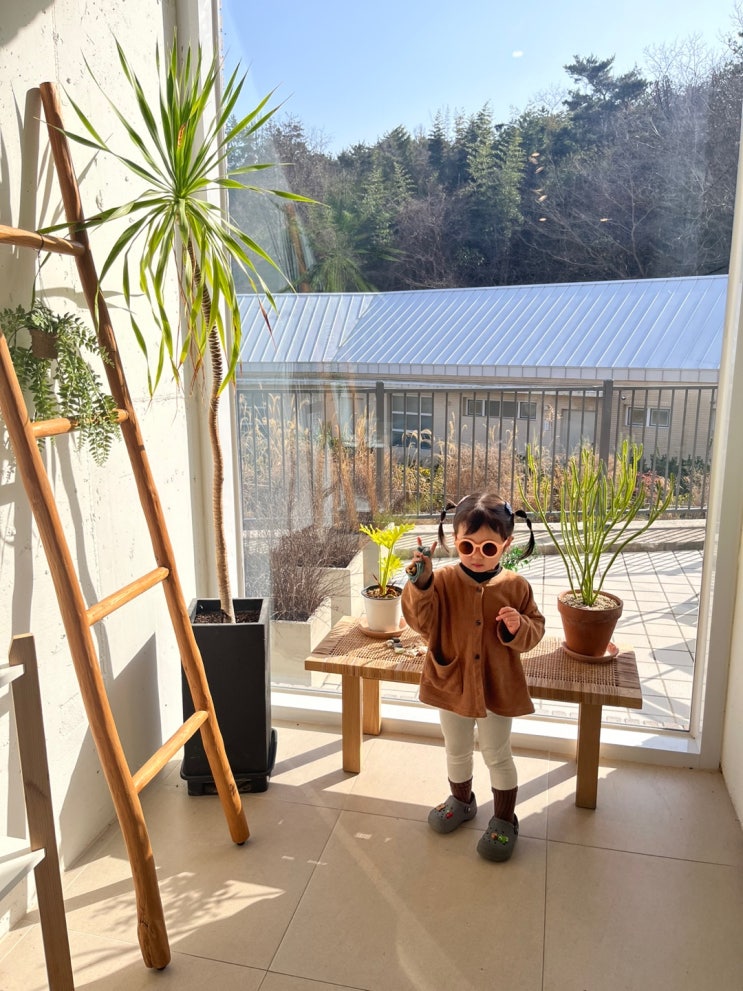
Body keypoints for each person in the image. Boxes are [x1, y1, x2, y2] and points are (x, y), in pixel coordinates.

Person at [402, 493, 544, 862]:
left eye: (488, 547)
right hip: (451, 681)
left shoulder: (516, 586)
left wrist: (519, 625)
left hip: (498, 685)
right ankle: (461, 801)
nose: (477, 555)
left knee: (497, 753)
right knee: (456, 748)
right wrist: (420, 584)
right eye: (467, 546)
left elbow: (535, 630)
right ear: (454, 541)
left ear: (506, 545)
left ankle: (505, 819)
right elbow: (421, 623)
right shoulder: (443, 581)